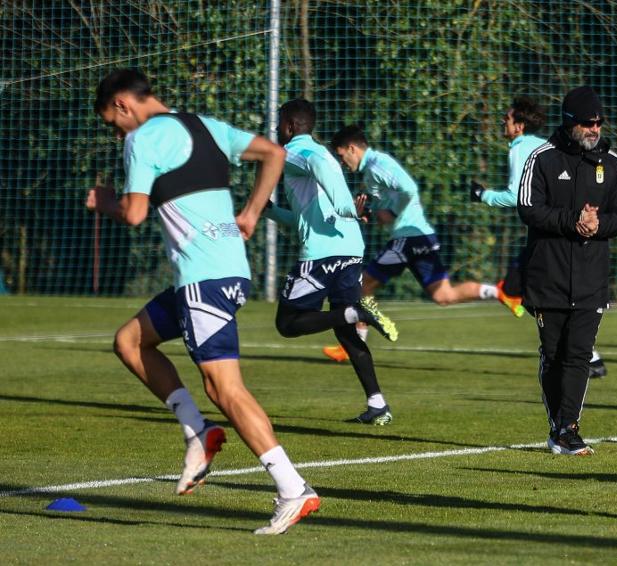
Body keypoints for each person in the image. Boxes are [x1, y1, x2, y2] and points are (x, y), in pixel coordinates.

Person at [85, 69, 318, 534]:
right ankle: (199, 432)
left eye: (112, 122)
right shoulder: (206, 125)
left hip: (202, 281)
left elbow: (133, 213)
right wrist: (251, 213)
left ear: (124, 106)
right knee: (129, 341)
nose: (116, 132)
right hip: (225, 270)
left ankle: (293, 489)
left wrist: (106, 201)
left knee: (224, 388)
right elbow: (273, 154)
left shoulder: (143, 140)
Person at [265, 99, 398, 426]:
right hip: (350, 248)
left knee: (287, 323)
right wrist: (266, 211)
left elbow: (320, 168)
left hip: (323, 255)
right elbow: (302, 219)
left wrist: (348, 207)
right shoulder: (314, 155)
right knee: (343, 330)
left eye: (281, 123)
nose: (278, 129)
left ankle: (358, 311)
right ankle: (377, 404)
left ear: (291, 126)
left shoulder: (299, 151)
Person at [321, 125, 504, 362]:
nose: (342, 162)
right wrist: (370, 211)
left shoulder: (377, 166)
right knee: (444, 295)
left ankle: (353, 347)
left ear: (351, 148)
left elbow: (409, 188)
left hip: (408, 238)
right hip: (422, 236)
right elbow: (388, 203)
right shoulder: (372, 170)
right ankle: (500, 292)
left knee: (361, 285)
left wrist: (393, 213)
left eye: (341, 155)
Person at [516, 86, 617, 455]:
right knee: (553, 354)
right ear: (569, 123)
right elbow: (528, 208)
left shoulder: (611, 163)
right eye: (587, 123)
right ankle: (557, 427)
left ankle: (568, 428)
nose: (594, 129)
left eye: (598, 122)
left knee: (579, 354)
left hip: (590, 279)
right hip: (547, 276)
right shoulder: (542, 159)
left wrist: (599, 226)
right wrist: (572, 221)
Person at [469, 96, 607, 377]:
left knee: (525, 293)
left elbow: (516, 197)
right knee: (540, 294)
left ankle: (584, 356)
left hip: (548, 235)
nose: (502, 123)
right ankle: (587, 356)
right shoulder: (546, 144)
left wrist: (483, 195)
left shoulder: (521, 149)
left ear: (519, 126)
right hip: (565, 231)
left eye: (506, 119)